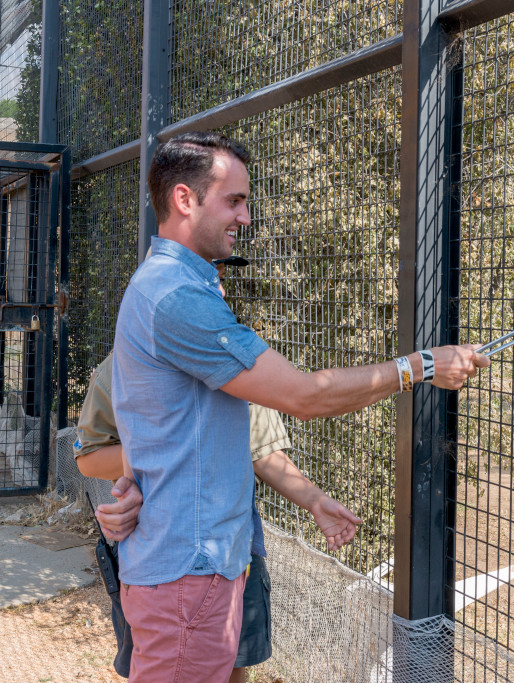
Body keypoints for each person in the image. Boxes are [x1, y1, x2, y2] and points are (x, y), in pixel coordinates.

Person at [109, 130, 488, 682]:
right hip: (187, 574)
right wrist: (421, 367)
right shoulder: (177, 298)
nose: (245, 216)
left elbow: (152, 412)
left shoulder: (174, 285)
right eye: (233, 200)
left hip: (192, 564)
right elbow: (304, 396)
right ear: (184, 200)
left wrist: (136, 479)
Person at [76, 258, 360, 682]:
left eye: (221, 279)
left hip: (235, 548)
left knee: (233, 668)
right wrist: (168, 453)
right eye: (204, 280)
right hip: (163, 556)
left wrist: (315, 501)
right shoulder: (130, 360)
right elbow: (89, 454)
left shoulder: (240, 356)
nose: (218, 290)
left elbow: (262, 452)